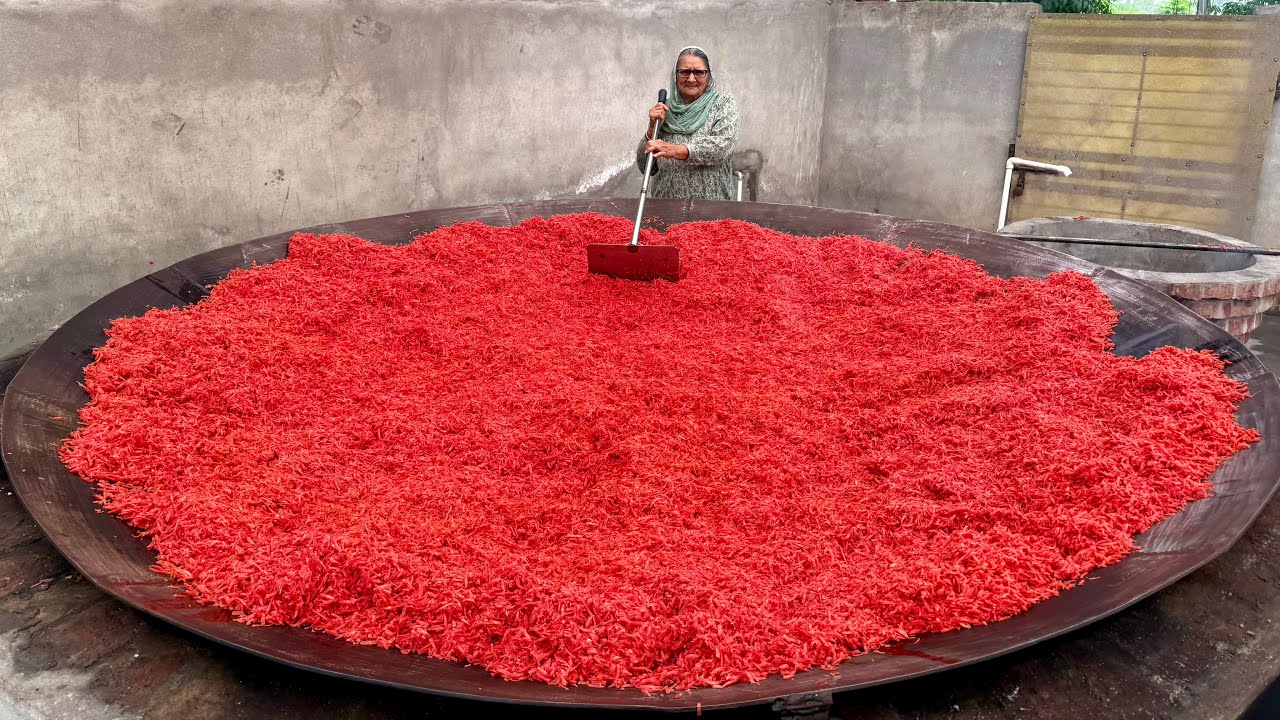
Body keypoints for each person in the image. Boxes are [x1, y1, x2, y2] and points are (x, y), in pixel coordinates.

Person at [635, 46, 740, 201]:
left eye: (698, 72)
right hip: (665, 208)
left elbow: (721, 147)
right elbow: (646, 168)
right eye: (684, 72)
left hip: (711, 209)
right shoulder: (664, 109)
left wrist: (674, 150)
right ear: (675, 76)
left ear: (709, 76)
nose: (691, 79)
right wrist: (651, 129)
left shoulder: (723, 103)